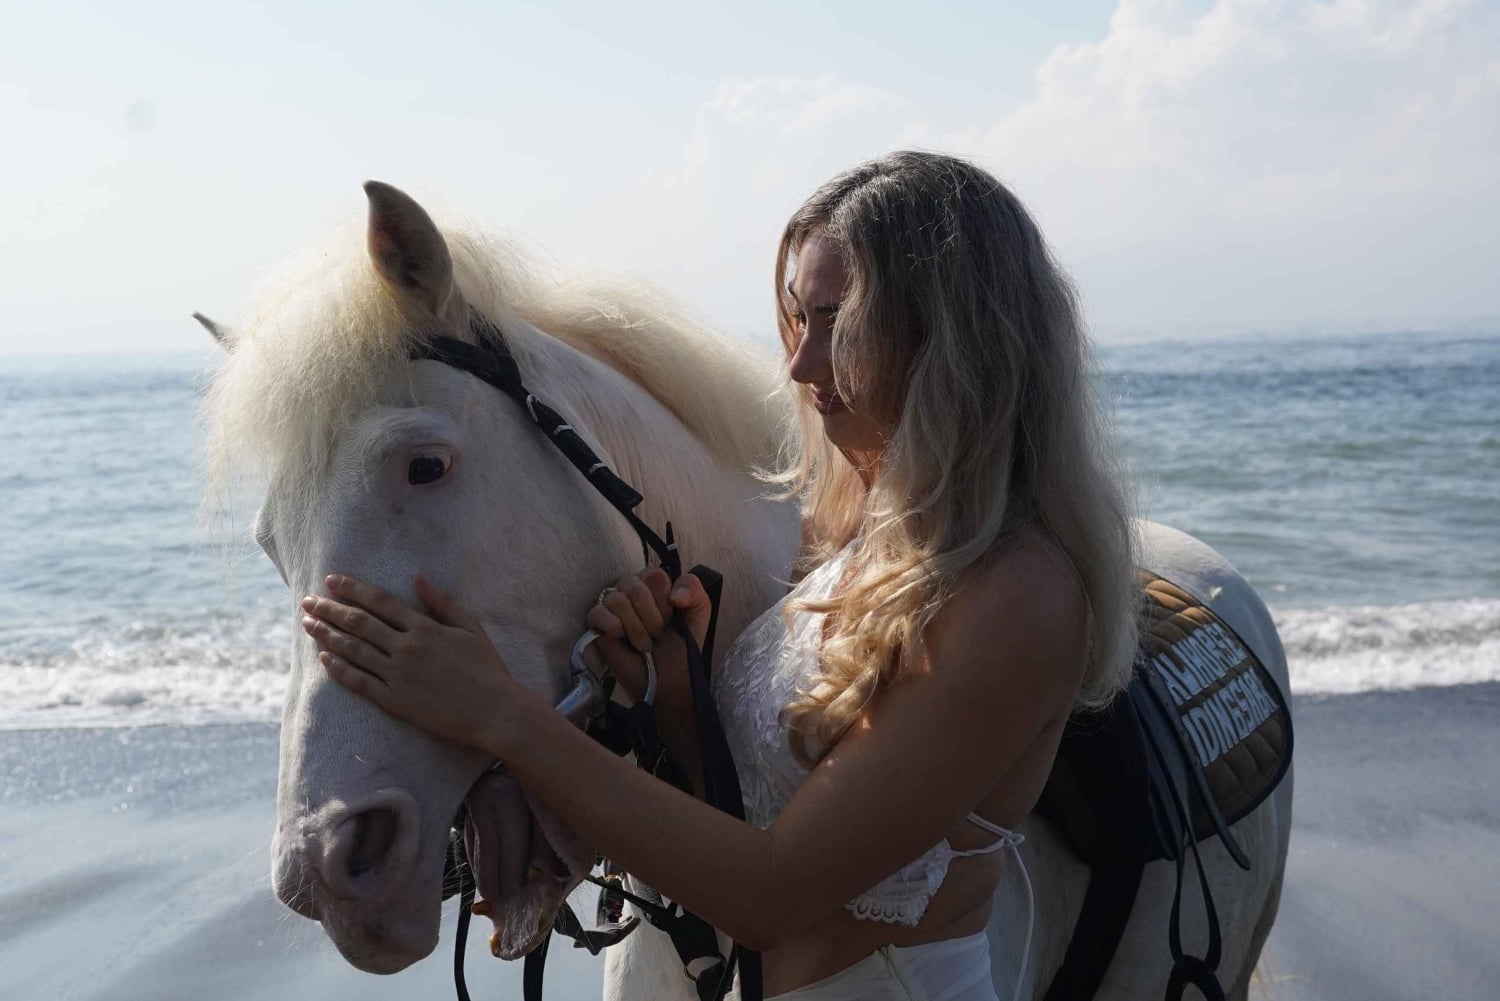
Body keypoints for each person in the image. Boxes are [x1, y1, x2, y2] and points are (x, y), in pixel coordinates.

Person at [300, 150, 1137, 1000]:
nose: (802, 366)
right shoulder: (856, 538)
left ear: (958, 337)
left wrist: (500, 714)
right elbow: (760, 813)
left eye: (838, 322)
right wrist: (673, 692)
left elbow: (772, 892)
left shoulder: (1018, 593)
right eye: (796, 321)